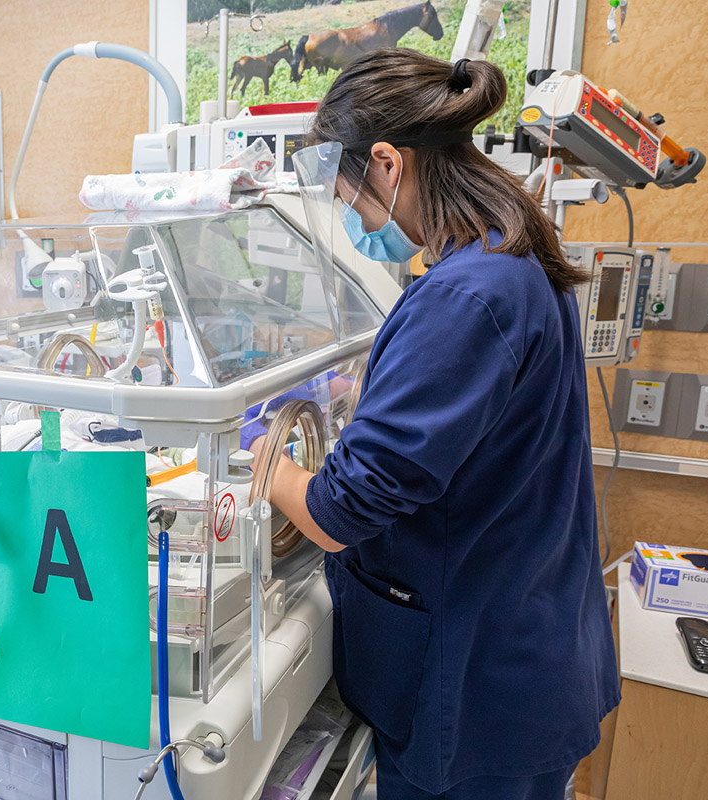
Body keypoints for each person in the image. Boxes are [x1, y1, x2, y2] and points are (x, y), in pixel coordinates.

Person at [244, 50, 620, 799]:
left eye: (350, 196)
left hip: (477, 683)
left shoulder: (468, 293)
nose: (354, 218)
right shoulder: (504, 258)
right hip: (522, 645)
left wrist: (262, 450)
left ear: (388, 163)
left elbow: (335, 513)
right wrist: (372, 387)